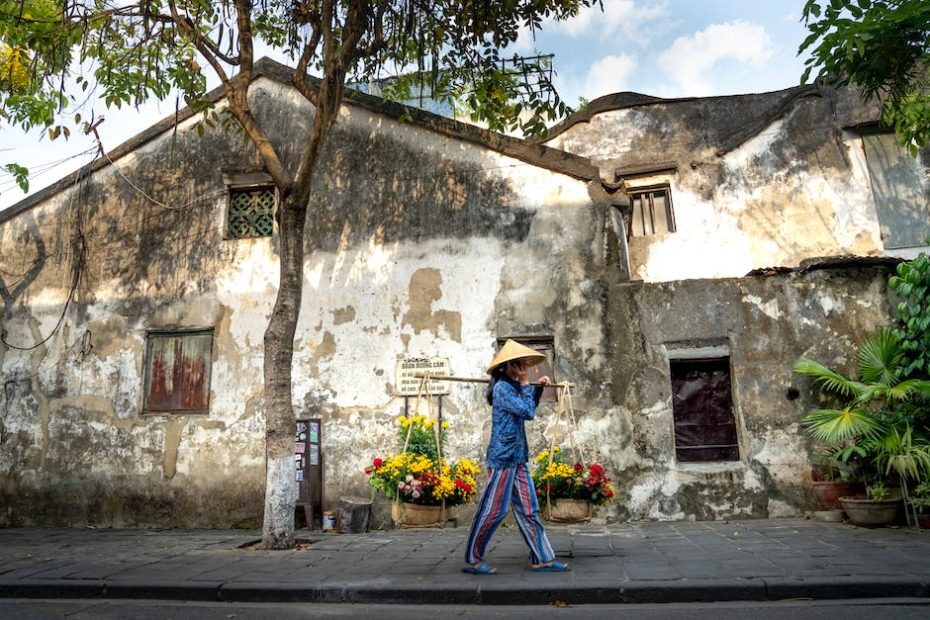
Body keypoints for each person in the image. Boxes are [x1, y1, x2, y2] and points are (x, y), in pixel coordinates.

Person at [462, 339, 570, 575]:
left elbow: (526, 402)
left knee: (529, 508)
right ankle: (473, 558)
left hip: (518, 457)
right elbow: (527, 411)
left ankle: (542, 557)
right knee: (494, 510)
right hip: (502, 458)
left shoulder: (514, 387)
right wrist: (525, 384)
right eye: (517, 365)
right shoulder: (502, 389)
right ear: (505, 367)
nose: (523, 369)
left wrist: (537, 387)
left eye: (523, 365)